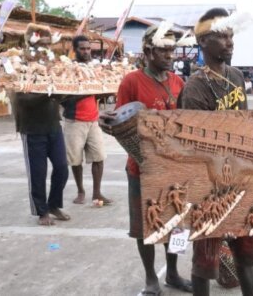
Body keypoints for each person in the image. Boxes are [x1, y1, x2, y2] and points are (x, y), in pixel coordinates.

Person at [100, 24, 192, 296]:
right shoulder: (131, 81)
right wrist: (107, 122)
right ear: (148, 51)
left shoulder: (178, 82)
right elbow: (119, 118)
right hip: (140, 166)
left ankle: (173, 273)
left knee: (176, 225)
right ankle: (151, 278)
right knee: (144, 227)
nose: (169, 55)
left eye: (171, 50)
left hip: (173, 166)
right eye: (164, 50)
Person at [178, 7, 253, 296]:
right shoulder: (195, 88)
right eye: (223, 37)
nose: (230, 42)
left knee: (246, 258)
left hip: (240, 179)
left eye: (231, 36)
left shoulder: (236, 77)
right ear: (203, 43)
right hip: (208, 189)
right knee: (206, 263)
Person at [61, 35, 111, 205]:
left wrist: (107, 88)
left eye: (88, 48)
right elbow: (63, 99)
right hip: (74, 121)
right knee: (75, 160)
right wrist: (88, 90)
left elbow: (101, 94)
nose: (86, 51)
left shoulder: (95, 68)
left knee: (99, 157)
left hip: (93, 120)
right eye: (82, 48)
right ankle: (80, 190)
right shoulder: (67, 70)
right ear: (75, 50)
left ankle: (97, 193)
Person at [13, 92, 70, 226]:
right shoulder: (22, 75)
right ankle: (42, 212)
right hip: (32, 130)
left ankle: (53, 205)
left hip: (54, 127)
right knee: (37, 173)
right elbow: (23, 100)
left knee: (62, 167)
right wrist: (49, 92)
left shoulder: (52, 73)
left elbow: (63, 96)